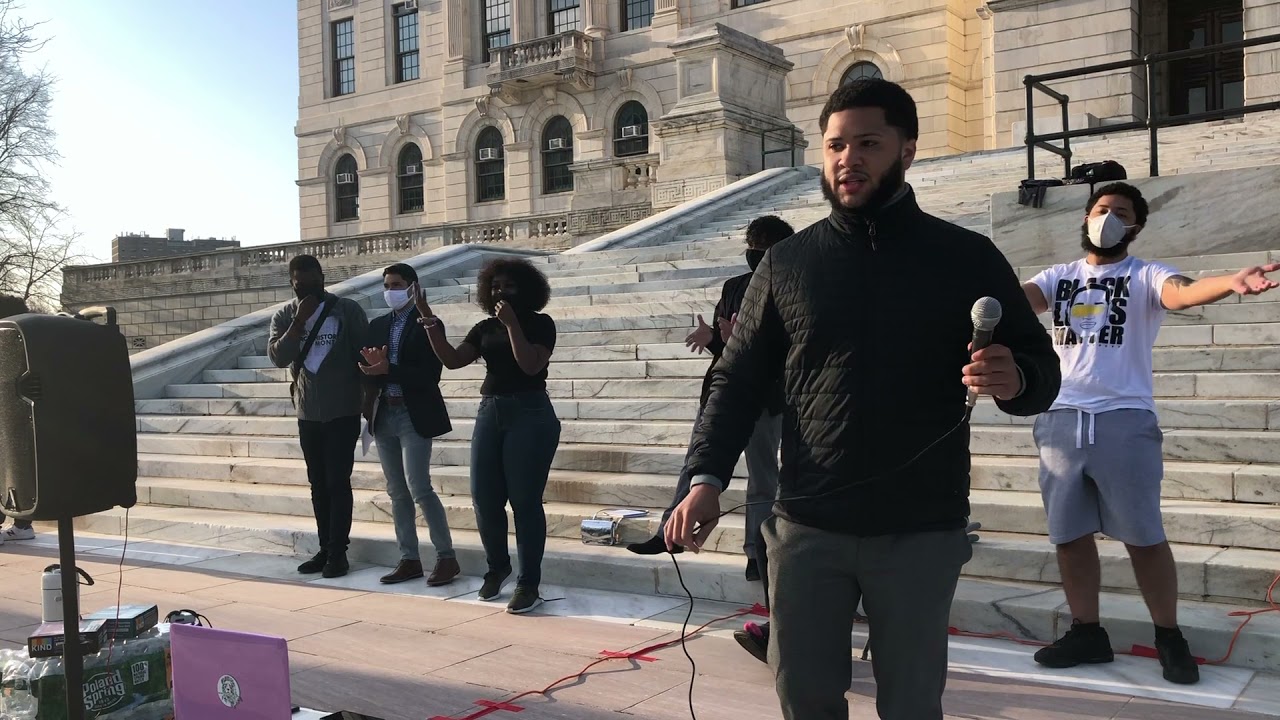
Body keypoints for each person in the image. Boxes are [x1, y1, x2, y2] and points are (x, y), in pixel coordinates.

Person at [665, 78, 1062, 720]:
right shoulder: (787, 263)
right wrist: (705, 477)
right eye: (835, 145)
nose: (848, 159)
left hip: (921, 528)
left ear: (907, 149)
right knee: (805, 696)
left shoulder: (966, 257)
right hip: (807, 525)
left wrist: (1013, 379)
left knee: (911, 703)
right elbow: (735, 380)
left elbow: (1041, 368)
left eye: (868, 143)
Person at [1022, 182, 1279, 685]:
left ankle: (1168, 635)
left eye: (1121, 212)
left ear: (1135, 227)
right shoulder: (1059, 277)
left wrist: (1230, 281)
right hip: (1060, 418)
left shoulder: (1145, 275)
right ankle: (1086, 631)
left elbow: (1181, 293)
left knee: (1143, 537)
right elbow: (1017, 300)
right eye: (1101, 209)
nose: (1108, 218)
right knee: (1069, 536)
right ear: (1085, 217)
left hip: (1124, 418)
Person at [626, 215, 793, 585]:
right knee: (696, 464)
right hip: (724, 389)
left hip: (766, 394)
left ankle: (758, 552)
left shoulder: (791, 285)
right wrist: (717, 340)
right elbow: (726, 342)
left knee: (763, 476)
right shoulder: (735, 286)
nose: (756, 253)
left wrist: (742, 341)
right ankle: (669, 533)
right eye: (752, 246)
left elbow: (790, 347)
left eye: (763, 247)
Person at [420, 257, 561, 614]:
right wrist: (430, 322)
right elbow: (453, 360)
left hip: (530, 413)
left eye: (508, 286)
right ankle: (497, 567)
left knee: (525, 502)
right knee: (484, 498)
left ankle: (528, 583)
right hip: (490, 411)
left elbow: (530, 365)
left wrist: (512, 325)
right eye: (495, 286)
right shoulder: (484, 328)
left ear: (525, 289)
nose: (500, 292)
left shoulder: (541, 324)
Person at [358, 263, 461, 587]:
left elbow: (430, 375)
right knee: (396, 491)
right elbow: (368, 367)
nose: (391, 291)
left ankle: (446, 557)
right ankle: (409, 558)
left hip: (412, 414)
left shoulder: (428, 324)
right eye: (387, 285)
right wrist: (370, 370)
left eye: (397, 284)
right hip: (384, 413)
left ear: (413, 287)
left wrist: (388, 369)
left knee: (419, 487)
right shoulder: (378, 324)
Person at [268, 255, 370, 579]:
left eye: (313, 282)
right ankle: (325, 548)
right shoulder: (285, 315)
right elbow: (278, 357)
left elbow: (364, 354)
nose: (307, 289)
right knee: (318, 483)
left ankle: (338, 552)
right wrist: (299, 322)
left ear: (322, 279)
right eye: (300, 284)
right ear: (292, 283)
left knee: (337, 481)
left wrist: (369, 399)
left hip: (343, 409)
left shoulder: (346, 311)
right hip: (308, 412)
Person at [0, 294, 38, 543]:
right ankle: (23, 524)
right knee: (16, 469)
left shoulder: (6, 341)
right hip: (21, 419)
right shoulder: (27, 341)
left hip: (8, 418)